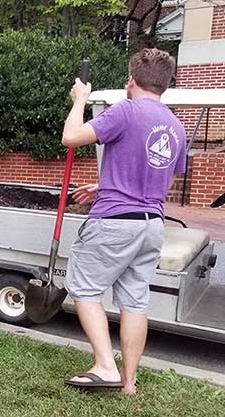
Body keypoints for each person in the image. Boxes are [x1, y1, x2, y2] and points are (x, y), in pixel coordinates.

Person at [62, 48, 186, 395]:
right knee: (134, 301)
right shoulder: (175, 126)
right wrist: (106, 183)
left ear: (131, 80)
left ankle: (105, 366)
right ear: (165, 85)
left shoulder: (126, 111)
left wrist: (80, 100)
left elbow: (71, 137)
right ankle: (129, 382)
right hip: (152, 225)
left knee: (85, 290)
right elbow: (159, 179)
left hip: (115, 221)